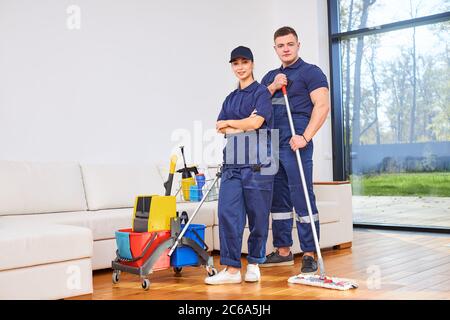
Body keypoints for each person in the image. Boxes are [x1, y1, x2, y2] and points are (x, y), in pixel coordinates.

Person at [259, 27, 330, 274]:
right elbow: (254, 106)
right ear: (275, 48)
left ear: (298, 45)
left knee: (301, 195)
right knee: (277, 198)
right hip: (271, 141)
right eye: (281, 45)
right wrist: (272, 87)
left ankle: (309, 253)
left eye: (290, 44)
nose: (286, 49)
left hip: (295, 139)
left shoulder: (311, 72)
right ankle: (283, 251)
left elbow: (322, 106)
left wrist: (305, 137)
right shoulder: (270, 76)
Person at [205, 46, 274, 285]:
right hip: (233, 164)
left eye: (244, 62)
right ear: (232, 67)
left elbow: (256, 123)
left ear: (252, 64)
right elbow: (219, 126)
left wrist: (233, 124)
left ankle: (254, 263)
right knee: (227, 214)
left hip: (258, 163)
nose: (240, 67)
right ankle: (232, 270)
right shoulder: (230, 98)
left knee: (258, 216)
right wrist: (239, 125)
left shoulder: (262, 93)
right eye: (236, 63)